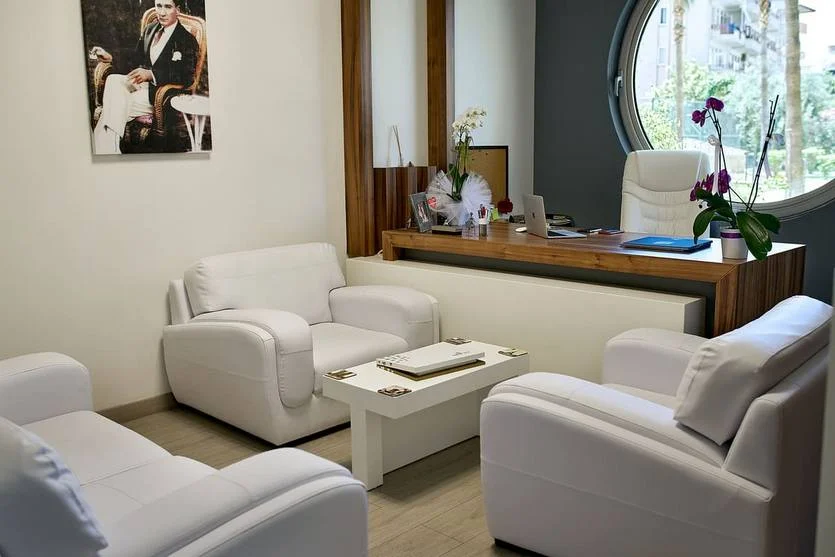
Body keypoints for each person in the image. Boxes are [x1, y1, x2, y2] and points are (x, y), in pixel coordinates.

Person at [91, 0, 198, 154]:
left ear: (178, 10)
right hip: (142, 86)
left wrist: (151, 74)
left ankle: (107, 153)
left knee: (113, 105)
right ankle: (110, 151)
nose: (161, 12)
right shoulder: (150, 29)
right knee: (113, 80)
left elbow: (187, 76)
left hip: (160, 95)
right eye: (159, 6)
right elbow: (135, 58)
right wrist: (110, 57)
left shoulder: (186, 39)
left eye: (168, 7)